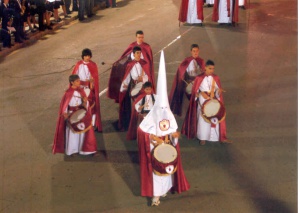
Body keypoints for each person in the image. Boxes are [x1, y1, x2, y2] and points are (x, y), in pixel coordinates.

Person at [137, 51, 190, 206]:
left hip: (167, 149)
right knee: (156, 175)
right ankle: (156, 196)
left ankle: (164, 190)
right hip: (155, 151)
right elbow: (142, 131)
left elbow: (174, 133)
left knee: (166, 174)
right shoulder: (150, 118)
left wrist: (175, 135)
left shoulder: (169, 117)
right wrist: (151, 138)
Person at [181, 60, 230, 145]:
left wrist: (219, 91)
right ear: (205, 68)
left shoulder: (216, 77)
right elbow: (194, 91)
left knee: (215, 116)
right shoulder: (199, 78)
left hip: (213, 99)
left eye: (213, 69)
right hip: (203, 100)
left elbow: (217, 91)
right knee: (202, 119)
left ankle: (216, 136)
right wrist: (200, 93)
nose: (212, 70)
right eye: (210, 68)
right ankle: (202, 137)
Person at [52, 74, 98, 155]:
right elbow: (64, 105)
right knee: (72, 134)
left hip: (80, 112)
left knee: (85, 133)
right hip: (71, 114)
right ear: (72, 82)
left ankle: (85, 150)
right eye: (77, 81)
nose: (79, 82)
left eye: (79, 80)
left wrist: (84, 101)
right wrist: (65, 113)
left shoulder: (81, 90)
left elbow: (85, 104)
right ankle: (72, 150)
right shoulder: (67, 93)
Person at [107, 30, 155, 103]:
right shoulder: (132, 46)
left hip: (144, 75)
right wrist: (118, 64)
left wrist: (142, 76)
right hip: (133, 76)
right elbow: (125, 57)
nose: (141, 39)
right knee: (132, 95)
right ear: (136, 37)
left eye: (142, 37)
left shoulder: (147, 47)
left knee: (145, 94)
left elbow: (147, 63)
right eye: (139, 37)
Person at [118, 46, 154, 131]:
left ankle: (146, 123)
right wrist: (123, 87)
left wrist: (143, 78)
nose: (139, 54)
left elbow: (148, 76)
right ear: (133, 54)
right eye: (137, 53)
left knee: (147, 104)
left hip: (144, 87)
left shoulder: (144, 63)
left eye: (140, 53)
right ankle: (137, 125)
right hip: (135, 87)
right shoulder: (130, 64)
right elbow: (127, 76)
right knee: (138, 107)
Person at [169, 44, 205, 117]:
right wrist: (182, 76)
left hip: (198, 82)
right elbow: (181, 69)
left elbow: (204, 72)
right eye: (194, 51)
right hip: (189, 82)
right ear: (191, 52)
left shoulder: (201, 61)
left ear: (199, 51)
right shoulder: (187, 60)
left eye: (197, 51)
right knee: (190, 97)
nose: (195, 53)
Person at [71, 48, 103, 132]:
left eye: (89, 56)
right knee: (80, 107)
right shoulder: (78, 64)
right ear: (83, 56)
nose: (87, 57)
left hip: (89, 89)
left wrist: (92, 83)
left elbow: (94, 78)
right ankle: (81, 123)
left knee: (92, 106)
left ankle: (92, 124)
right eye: (86, 56)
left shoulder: (93, 64)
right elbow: (74, 77)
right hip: (80, 89)